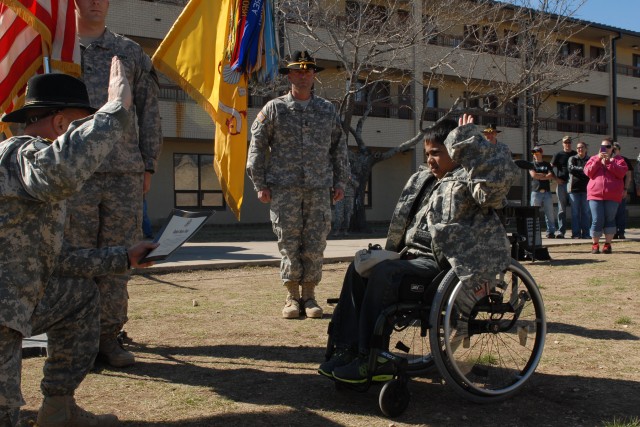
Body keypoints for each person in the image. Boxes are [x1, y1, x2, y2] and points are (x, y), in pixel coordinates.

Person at [318, 115, 519, 383]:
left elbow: (495, 185)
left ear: (455, 152)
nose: (430, 160)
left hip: (446, 265)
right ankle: (346, 349)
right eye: (427, 154)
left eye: (436, 153)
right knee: (358, 269)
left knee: (385, 273)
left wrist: (469, 139)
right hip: (410, 256)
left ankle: (370, 357)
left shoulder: (471, 180)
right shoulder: (424, 179)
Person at [0, 59, 134, 426]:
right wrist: (113, 110)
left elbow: (52, 261)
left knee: (79, 297)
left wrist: (125, 257)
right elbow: (59, 171)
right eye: (80, 124)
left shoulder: (26, 170)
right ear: (61, 124)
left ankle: (58, 410)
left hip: (13, 302)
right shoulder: (16, 154)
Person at [68, 0, 163, 368]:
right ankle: (76, 338)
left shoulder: (128, 52)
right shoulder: (55, 50)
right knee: (76, 259)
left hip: (123, 172)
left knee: (119, 259)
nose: (95, 3)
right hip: (71, 172)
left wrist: (149, 165)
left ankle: (109, 338)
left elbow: (149, 111)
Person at [247, 50, 349, 319]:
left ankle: (310, 297)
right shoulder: (274, 109)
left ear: (314, 75)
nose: (303, 76)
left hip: (319, 189)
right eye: (297, 71)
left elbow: (339, 149)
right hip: (284, 189)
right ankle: (292, 297)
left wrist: (340, 181)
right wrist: (260, 183)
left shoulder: (327, 110)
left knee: (315, 244)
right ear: (289, 75)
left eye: (308, 71)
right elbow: (257, 148)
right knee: (289, 243)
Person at [584, 138, 627, 254]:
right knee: (597, 219)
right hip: (595, 194)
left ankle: (607, 245)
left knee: (610, 219)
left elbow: (621, 173)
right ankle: (595, 244)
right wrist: (598, 160)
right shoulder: (594, 158)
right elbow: (588, 172)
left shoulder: (618, 160)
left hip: (612, 195)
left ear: (612, 148)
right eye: (603, 146)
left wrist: (609, 163)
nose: (605, 149)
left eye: (608, 146)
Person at [551, 136, 577, 238]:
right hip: (561, 185)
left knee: (575, 209)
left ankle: (576, 232)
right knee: (562, 209)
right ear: (562, 143)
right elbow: (550, 168)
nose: (567, 144)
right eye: (565, 142)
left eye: (569, 142)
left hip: (574, 185)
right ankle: (561, 231)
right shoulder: (558, 155)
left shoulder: (575, 155)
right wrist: (556, 179)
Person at [529, 146, 557, 238]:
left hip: (547, 192)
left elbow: (551, 175)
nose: (535, 155)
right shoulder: (531, 164)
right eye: (534, 153)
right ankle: (534, 232)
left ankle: (551, 232)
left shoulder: (547, 164)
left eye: (537, 153)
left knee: (549, 213)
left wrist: (541, 176)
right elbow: (534, 175)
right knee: (534, 213)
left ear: (541, 153)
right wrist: (544, 175)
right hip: (536, 192)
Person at [567, 142, 591, 239]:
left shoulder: (590, 159)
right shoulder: (572, 158)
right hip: (574, 189)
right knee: (575, 213)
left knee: (585, 212)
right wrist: (584, 169)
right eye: (578, 148)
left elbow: (591, 170)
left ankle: (586, 234)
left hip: (586, 189)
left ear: (586, 149)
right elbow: (571, 169)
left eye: (581, 147)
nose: (579, 149)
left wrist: (581, 171)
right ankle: (576, 234)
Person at [332, 152, 358, 237]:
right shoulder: (338, 175)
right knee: (338, 215)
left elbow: (357, 185)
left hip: (349, 197)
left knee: (348, 215)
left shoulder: (353, 176)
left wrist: (350, 179)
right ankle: (336, 230)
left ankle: (345, 230)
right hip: (340, 196)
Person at [612, 142, 633, 239]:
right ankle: (613, 232)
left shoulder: (625, 160)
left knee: (621, 212)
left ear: (619, 149)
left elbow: (628, 176)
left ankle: (621, 232)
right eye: (612, 148)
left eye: (615, 148)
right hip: (610, 191)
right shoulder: (607, 160)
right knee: (611, 213)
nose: (613, 150)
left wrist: (625, 189)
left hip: (621, 190)